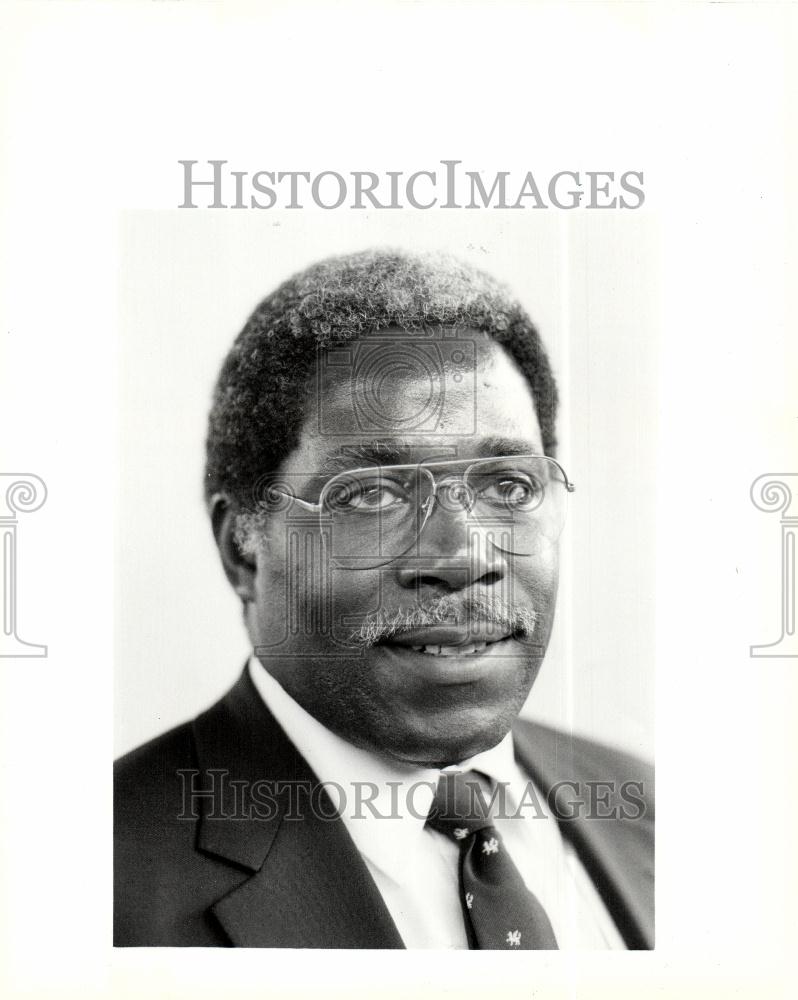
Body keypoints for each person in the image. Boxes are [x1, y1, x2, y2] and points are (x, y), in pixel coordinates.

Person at [114, 248, 654, 949]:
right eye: (372, 495)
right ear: (243, 547)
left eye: (508, 487)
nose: (466, 557)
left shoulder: (650, 808)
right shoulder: (89, 884)